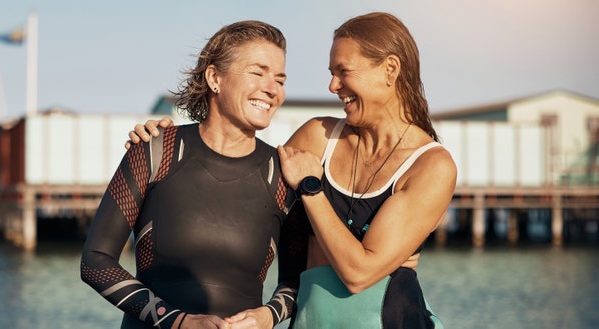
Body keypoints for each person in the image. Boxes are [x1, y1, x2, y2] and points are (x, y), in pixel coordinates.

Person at [129, 12, 454, 328]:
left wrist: (312, 189)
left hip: (391, 319)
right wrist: (163, 149)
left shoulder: (431, 166)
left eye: (343, 71)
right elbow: (240, 181)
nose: (332, 85)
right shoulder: (318, 136)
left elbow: (359, 273)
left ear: (390, 69)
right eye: (331, 72)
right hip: (311, 319)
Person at [80, 20, 308, 329]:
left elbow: (298, 280)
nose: (272, 89)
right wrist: (176, 321)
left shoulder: (281, 176)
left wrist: (268, 315)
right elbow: (95, 261)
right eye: (258, 72)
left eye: (280, 79)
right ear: (215, 78)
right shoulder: (154, 152)